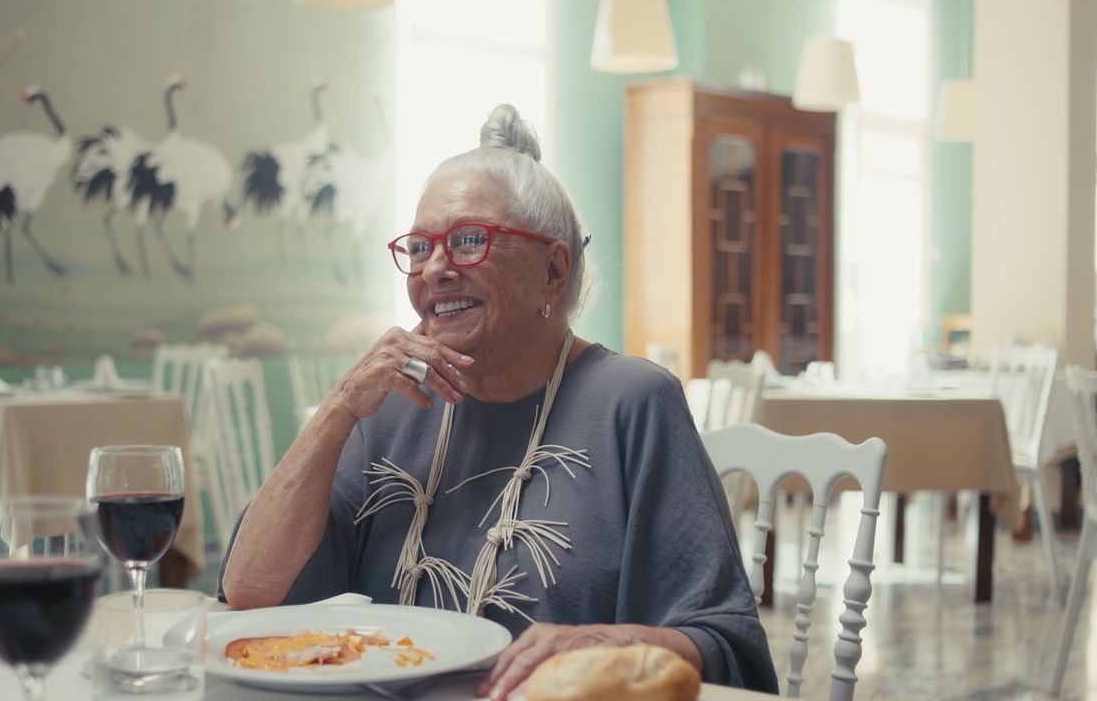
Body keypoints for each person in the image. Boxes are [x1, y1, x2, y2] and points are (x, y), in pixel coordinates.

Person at [218, 104, 778, 699]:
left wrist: (611, 642)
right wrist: (337, 408)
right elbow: (251, 592)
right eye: (419, 247)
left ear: (553, 270)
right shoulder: (389, 407)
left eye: (468, 241)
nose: (434, 269)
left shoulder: (632, 402)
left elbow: (728, 649)